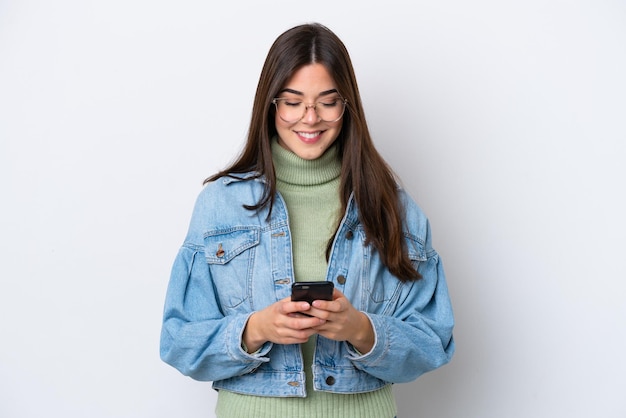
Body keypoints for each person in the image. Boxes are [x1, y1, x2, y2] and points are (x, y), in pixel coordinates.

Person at [160, 22, 455, 418]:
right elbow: (179, 341)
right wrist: (255, 330)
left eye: (327, 102)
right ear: (272, 104)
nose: (310, 118)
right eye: (293, 101)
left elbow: (434, 340)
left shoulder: (392, 208)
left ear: (347, 105)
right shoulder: (220, 204)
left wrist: (361, 330)